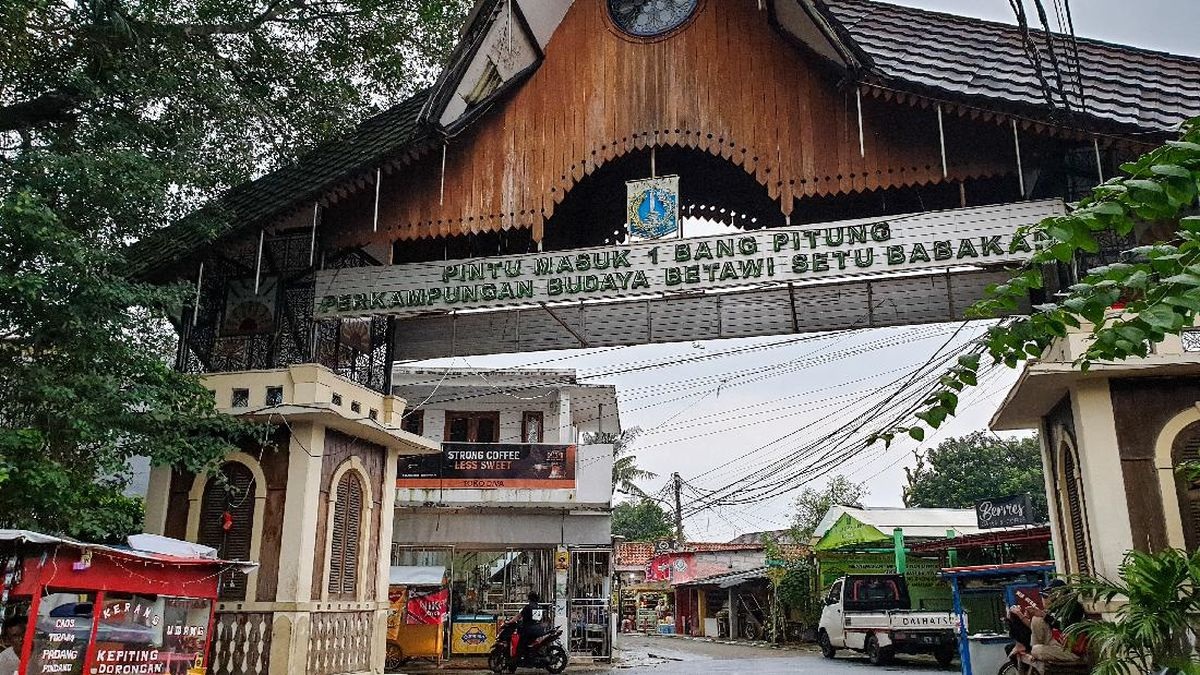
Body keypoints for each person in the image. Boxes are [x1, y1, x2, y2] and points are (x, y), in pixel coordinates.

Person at [517, 591, 545, 660]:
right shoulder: (539, 607)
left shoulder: (528, 607)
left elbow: (518, 616)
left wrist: (509, 621)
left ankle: (522, 658)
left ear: (529, 598)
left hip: (529, 630)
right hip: (539, 629)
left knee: (520, 644)